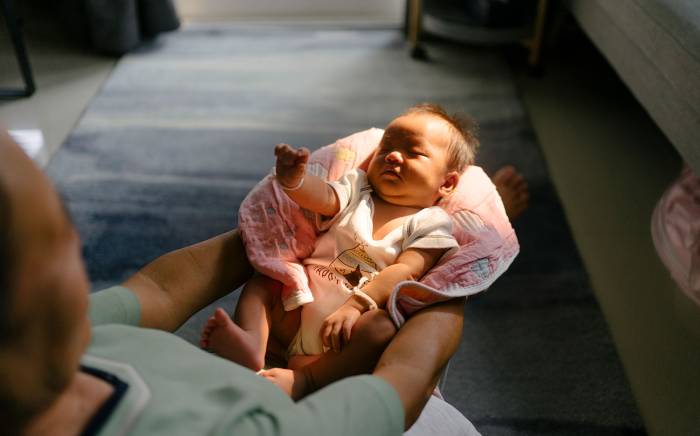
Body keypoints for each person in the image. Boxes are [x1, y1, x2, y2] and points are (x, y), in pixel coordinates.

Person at [1, 126, 503, 435]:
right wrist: (448, 293)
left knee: (368, 328)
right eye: (62, 235)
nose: (391, 156)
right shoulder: (248, 429)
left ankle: (260, 359)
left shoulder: (80, 331)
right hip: (316, 371)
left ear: (446, 185)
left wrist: (268, 245)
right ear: (42, 291)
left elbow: (161, 290)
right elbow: (401, 383)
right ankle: (270, 357)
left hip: (337, 317)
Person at [201, 104, 477, 399]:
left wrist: (355, 306)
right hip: (295, 306)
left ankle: (307, 378)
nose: (394, 156)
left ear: (447, 183)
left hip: (343, 334)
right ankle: (253, 344)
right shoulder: (359, 188)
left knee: (381, 330)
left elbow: (406, 270)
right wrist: (296, 181)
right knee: (264, 282)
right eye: (387, 148)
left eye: (413, 152)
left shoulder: (431, 223)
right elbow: (324, 198)